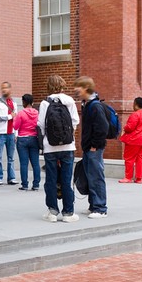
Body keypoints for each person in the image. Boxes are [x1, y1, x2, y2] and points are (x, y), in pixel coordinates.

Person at [38, 75, 80, 223]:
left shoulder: (45, 103)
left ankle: (53, 212)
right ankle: (68, 213)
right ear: (62, 85)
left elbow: (41, 124)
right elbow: (75, 121)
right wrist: (69, 135)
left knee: (50, 179)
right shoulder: (69, 101)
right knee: (67, 179)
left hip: (50, 147)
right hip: (68, 146)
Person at [74, 76, 108, 218]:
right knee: (90, 177)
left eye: (78, 87)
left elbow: (102, 128)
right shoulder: (87, 104)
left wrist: (94, 145)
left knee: (96, 177)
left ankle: (100, 208)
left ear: (86, 88)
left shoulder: (95, 106)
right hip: (89, 147)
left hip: (94, 148)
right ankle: (93, 205)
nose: (76, 90)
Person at [119, 97, 142, 183]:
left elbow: (130, 127)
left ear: (136, 104)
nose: (132, 105)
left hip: (134, 139)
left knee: (129, 158)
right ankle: (139, 178)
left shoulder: (135, 114)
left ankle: (128, 177)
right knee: (140, 158)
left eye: (133, 104)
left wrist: (124, 128)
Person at [12, 93, 41, 191]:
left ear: (24, 102)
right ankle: (36, 184)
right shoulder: (37, 113)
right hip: (34, 139)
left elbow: (15, 127)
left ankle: (25, 185)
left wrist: (14, 118)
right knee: (35, 163)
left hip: (22, 139)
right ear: (32, 102)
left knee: (24, 163)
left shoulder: (21, 113)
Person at [0, 81, 18, 185]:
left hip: (11, 133)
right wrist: (9, 117)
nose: (4, 90)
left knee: (11, 157)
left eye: (6, 88)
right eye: (2, 88)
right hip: (1, 133)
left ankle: (11, 177)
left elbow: (16, 119)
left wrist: (16, 133)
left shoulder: (14, 103)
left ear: (10, 89)